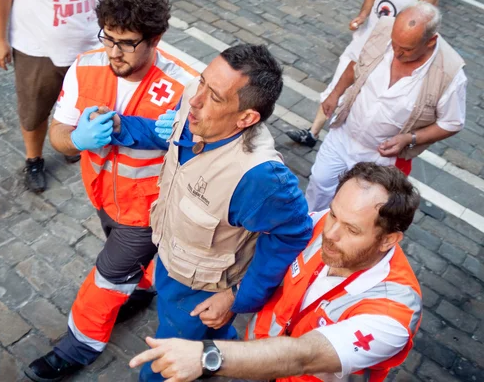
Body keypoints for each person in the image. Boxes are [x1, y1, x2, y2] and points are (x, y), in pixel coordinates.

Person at [92, 44, 313, 381]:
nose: (195, 100)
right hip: (169, 258)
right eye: (202, 81)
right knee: (195, 331)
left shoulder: (260, 178)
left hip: (200, 290)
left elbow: (292, 233)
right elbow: (168, 133)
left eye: (216, 96)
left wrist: (236, 298)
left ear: (246, 118)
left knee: (165, 361)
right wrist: (125, 128)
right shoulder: (198, 109)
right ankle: (222, 349)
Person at [24, 0, 198, 381]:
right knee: (126, 269)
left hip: (147, 209)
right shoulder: (86, 66)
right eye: (108, 37)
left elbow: (208, 156)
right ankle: (145, 284)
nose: (113, 52)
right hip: (103, 197)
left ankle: (79, 345)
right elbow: (58, 132)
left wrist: (185, 136)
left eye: (126, 43)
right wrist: (76, 139)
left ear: (155, 39)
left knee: (106, 277)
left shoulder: (186, 85)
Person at [129, 162, 422, 382]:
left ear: (388, 239)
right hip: (258, 363)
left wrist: (207, 356)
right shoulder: (320, 224)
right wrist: (234, 294)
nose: (330, 233)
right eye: (334, 213)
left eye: (352, 229)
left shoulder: (393, 314)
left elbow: (304, 355)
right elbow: (268, 255)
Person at [305, 1, 467, 212]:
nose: (397, 52)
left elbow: (452, 123)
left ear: (430, 41)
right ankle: (306, 233)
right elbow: (356, 64)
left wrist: (410, 139)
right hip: (344, 135)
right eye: (394, 44)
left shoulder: (451, 74)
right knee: (318, 184)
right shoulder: (383, 28)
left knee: (359, 209)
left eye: (407, 49)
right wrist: (335, 94)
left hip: (381, 159)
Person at [285, 0, 438, 148]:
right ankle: (313, 133)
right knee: (336, 87)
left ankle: (348, 143)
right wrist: (363, 16)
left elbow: (426, 28)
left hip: (386, 54)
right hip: (362, 44)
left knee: (362, 99)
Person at [0, 0, 106, 193]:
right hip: (37, 49)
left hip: (91, 44)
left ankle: (70, 143)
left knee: (83, 104)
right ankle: (34, 159)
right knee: (34, 110)